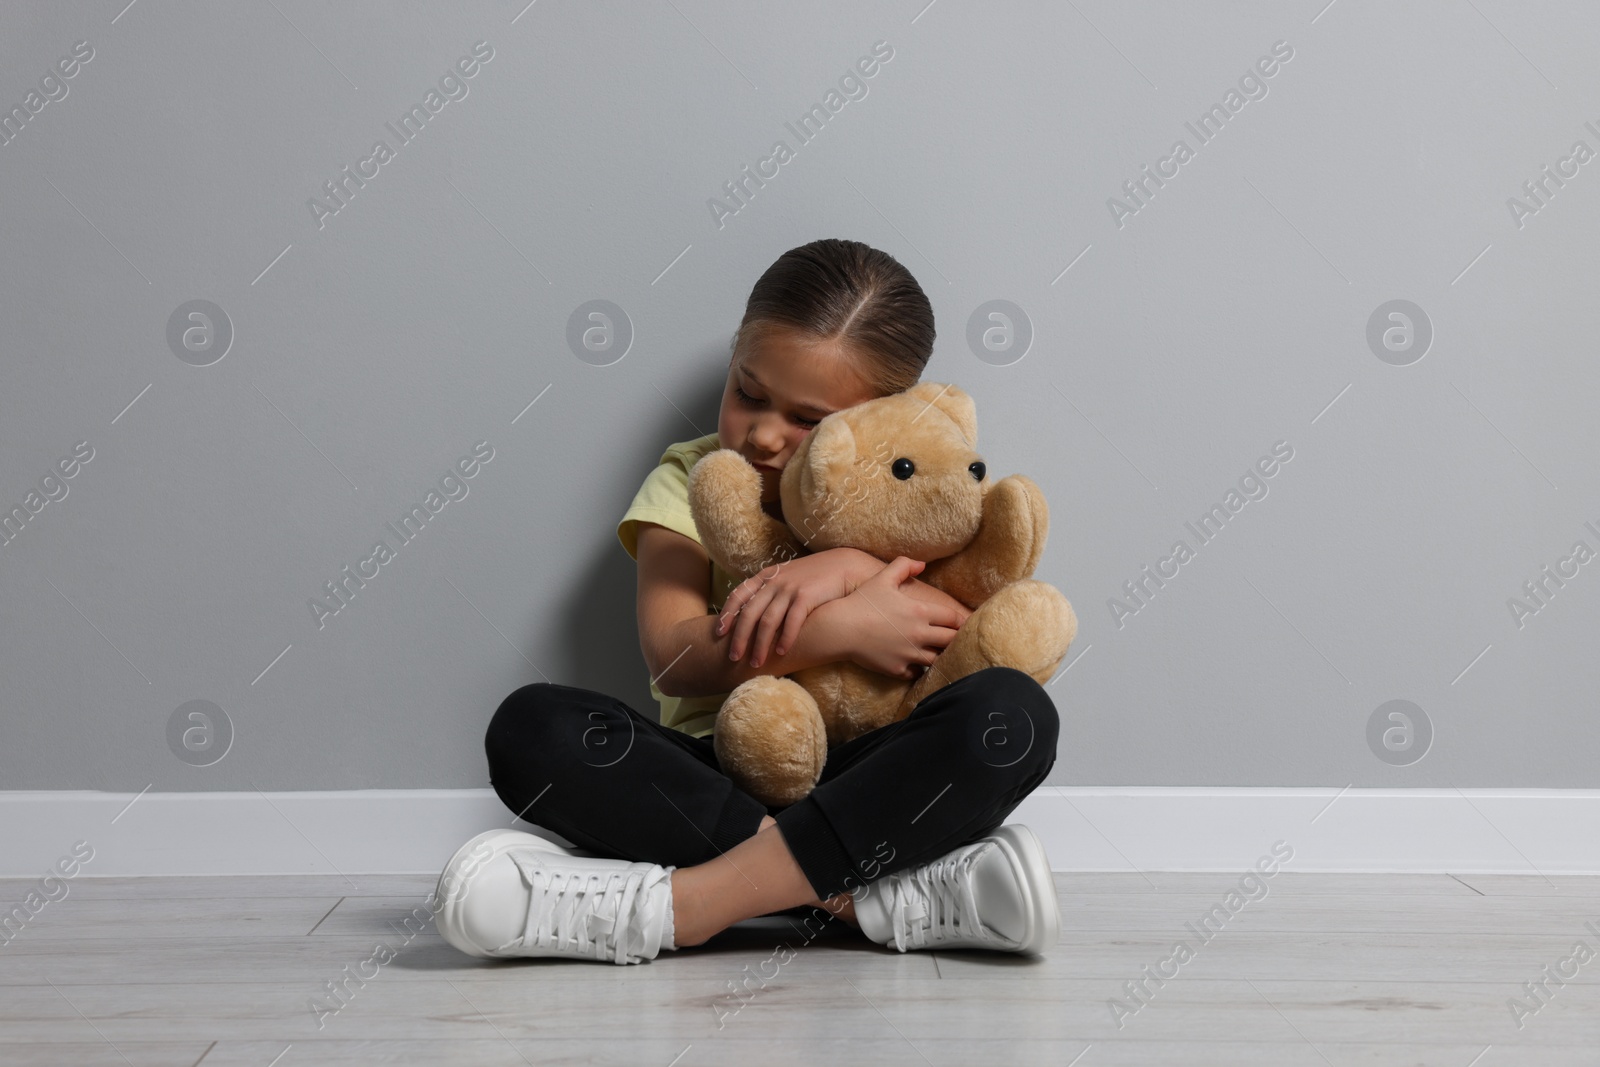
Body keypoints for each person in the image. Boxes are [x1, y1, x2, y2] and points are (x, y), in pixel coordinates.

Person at [434, 238, 1063, 964]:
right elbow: (673, 661)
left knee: (1013, 716)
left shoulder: (915, 491)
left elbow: (950, 632)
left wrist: (846, 561)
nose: (763, 435)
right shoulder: (691, 478)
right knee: (530, 728)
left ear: (888, 413)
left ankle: (684, 907)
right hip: (715, 779)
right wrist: (838, 627)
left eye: (805, 419)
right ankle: (864, 899)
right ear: (735, 355)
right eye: (749, 393)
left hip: (873, 776)